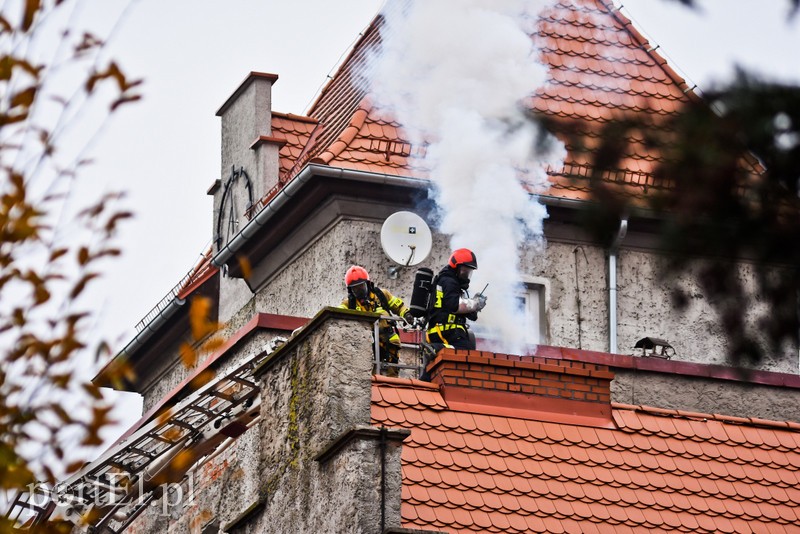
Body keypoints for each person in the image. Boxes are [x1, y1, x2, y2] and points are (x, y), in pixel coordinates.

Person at [421, 248, 487, 379]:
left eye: (469, 272)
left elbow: (469, 314)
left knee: (433, 370)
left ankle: (422, 385)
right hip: (448, 331)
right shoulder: (449, 281)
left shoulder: (446, 281)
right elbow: (454, 305)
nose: (466, 275)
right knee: (466, 350)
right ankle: (437, 348)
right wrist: (475, 303)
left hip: (439, 330)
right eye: (464, 270)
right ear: (455, 267)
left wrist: (475, 306)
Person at [339, 265, 413, 377]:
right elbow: (337, 314)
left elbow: (398, 306)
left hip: (388, 342)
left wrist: (407, 314)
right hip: (367, 344)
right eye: (355, 289)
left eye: (361, 287)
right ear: (351, 291)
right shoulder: (349, 304)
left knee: (391, 376)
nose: (359, 291)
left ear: (368, 284)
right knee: (370, 378)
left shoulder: (382, 295)